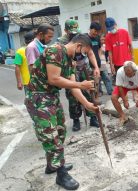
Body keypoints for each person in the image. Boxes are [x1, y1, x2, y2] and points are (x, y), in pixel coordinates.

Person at [24, 34, 98, 190]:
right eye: (84, 51)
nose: (84, 55)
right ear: (78, 45)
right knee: (51, 135)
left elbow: (72, 86)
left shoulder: (70, 61)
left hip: (51, 97)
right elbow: (54, 79)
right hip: (38, 97)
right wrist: (81, 84)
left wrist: (87, 104)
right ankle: (61, 174)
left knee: (60, 131)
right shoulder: (55, 51)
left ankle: (52, 165)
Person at [58, 19, 100, 131]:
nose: (74, 34)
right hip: (70, 70)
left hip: (84, 68)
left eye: (76, 31)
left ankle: (93, 117)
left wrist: (95, 67)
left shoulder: (83, 38)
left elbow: (90, 53)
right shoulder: (61, 43)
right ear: (66, 31)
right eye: (72, 32)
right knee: (72, 94)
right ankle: (76, 120)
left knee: (90, 91)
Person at [111, 61, 138, 125]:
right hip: (124, 86)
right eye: (126, 73)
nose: (128, 75)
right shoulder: (120, 71)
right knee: (113, 98)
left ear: (134, 71)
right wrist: (125, 101)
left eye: (130, 74)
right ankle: (122, 116)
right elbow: (119, 86)